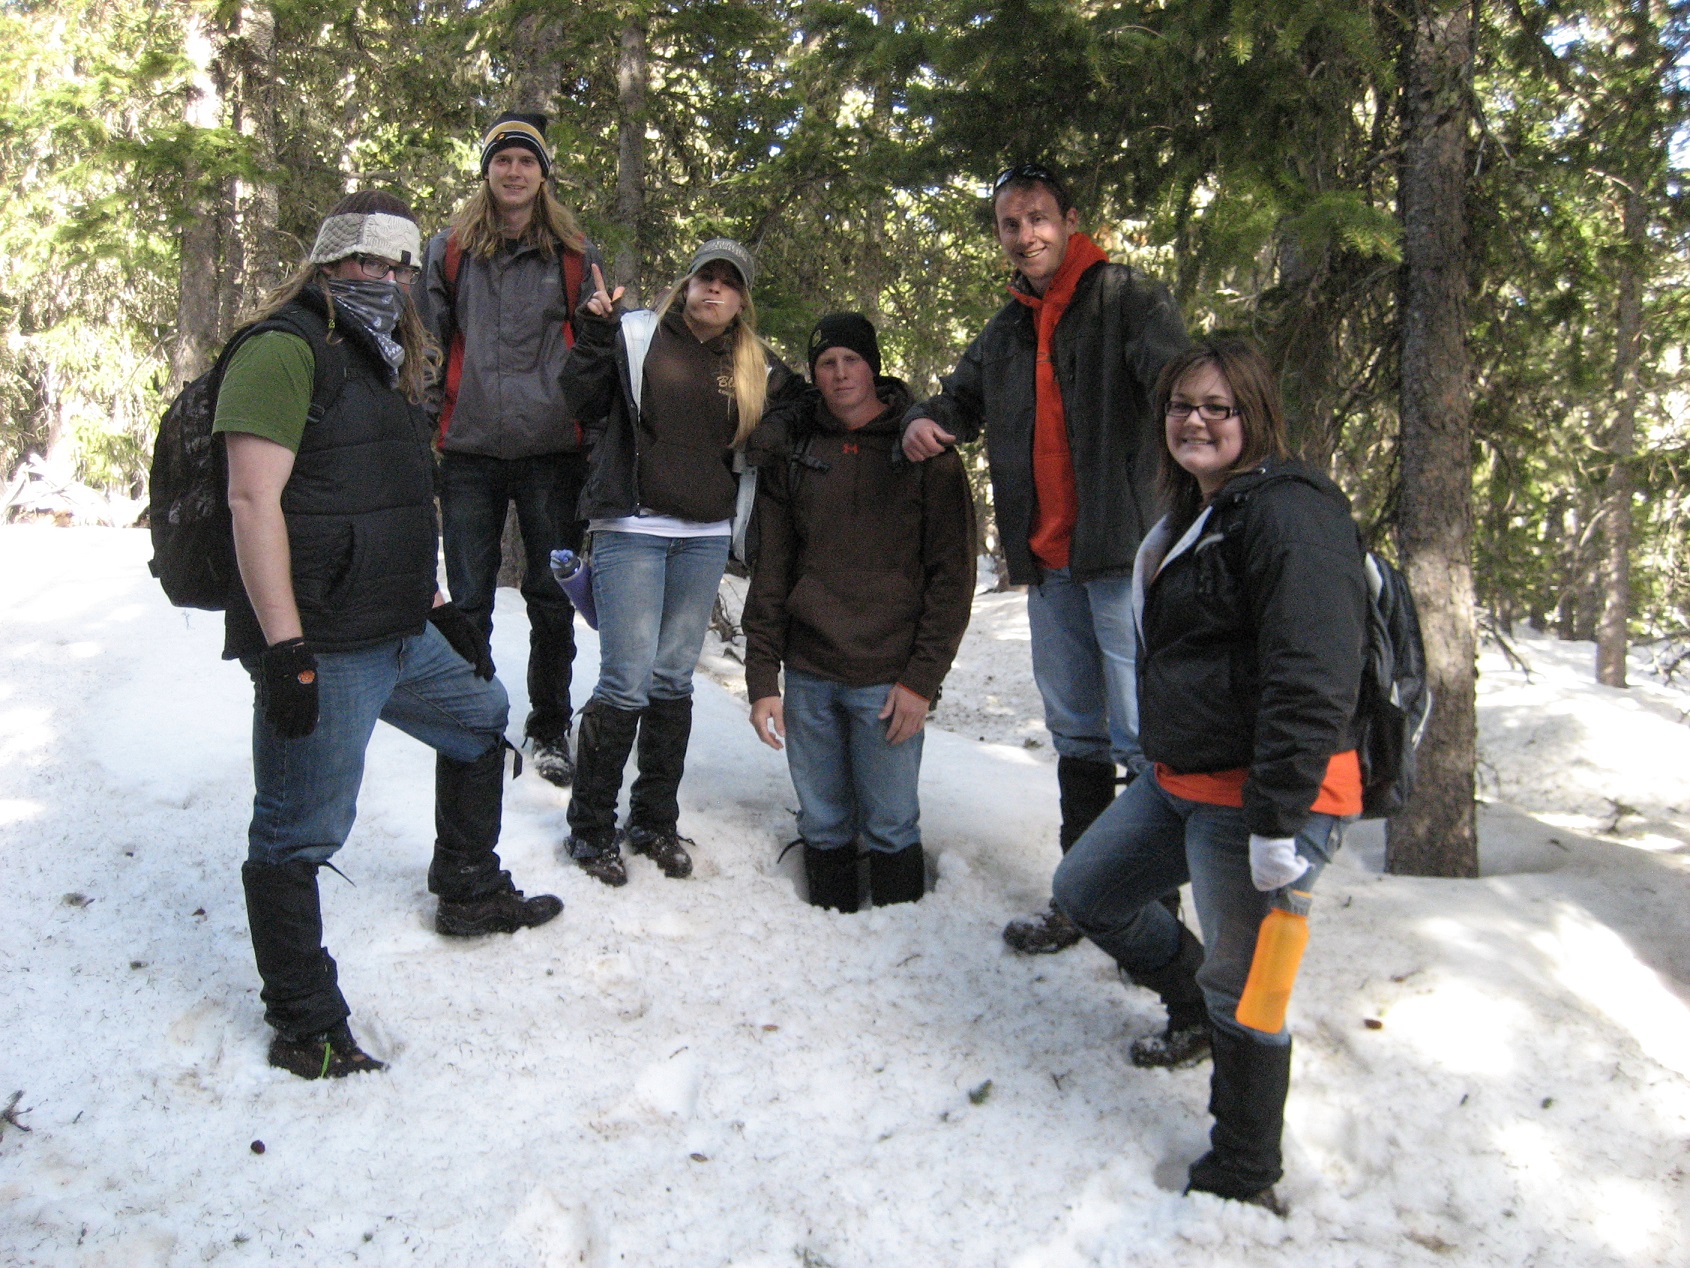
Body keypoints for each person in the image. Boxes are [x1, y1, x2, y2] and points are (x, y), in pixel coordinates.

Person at [218, 191, 563, 1080]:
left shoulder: (388, 357)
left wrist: (437, 602)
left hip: (399, 628)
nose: (381, 278)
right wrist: (286, 648)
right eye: (363, 262)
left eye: (396, 265)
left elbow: (403, 498)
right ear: (328, 262)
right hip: (324, 644)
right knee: (298, 833)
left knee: (482, 717)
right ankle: (304, 1024)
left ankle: (468, 887)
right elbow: (252, 501)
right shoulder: (282, 350)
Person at [1051, 338, 1367, 1211]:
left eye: (1217, 407)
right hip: (1183, 780)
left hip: (1268, 799)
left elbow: (1312, 677)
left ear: (1254, 416)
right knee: (1087, 891)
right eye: (1182, 404)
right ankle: (1187, 1008)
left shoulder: (1290, 514)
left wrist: (1276, 821)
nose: (1195, 420)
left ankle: (1244, 1167)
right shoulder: (1204, 508)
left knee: (1252, 989)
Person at [901, 162, 1187, 955]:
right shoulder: (1008, 328)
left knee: (1142, 740)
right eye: (1009, 224)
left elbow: (1181, 386)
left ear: (1069, 219)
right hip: (1048, 564)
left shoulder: (1128, 299)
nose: (1025, 235)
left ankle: (1158, 919)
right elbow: (959, 397)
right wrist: (926, 421)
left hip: (1125, 556)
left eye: (1037, 218)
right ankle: (1085, 901)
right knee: (1077, 736)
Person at [560, 239, 799, 886]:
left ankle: (653, 822)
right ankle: (589, 829)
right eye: (705, 278)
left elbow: (797, 402)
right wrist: (591, 333)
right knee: (625, 680)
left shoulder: (749, 360)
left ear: (742, 299)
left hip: (703, 536)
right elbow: (578, 400)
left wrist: (765, 437)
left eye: (729, 283)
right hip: (632, 527)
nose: (714, 290)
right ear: (686, 283)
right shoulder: (636, 334)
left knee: (671, 679)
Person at [742, 314, 975, 911]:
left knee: (892, 823)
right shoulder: (796, 452)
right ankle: (829, 933)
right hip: (811, 671)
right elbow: (772, 571)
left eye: (852, 359)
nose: (840, 373)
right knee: (822, 823)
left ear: (873, 365)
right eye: (826, 362)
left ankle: (901, 942)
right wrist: (763, 678)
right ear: (813, 374)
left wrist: (921, 681)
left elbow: (952, 580)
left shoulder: (924, 450)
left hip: (888, 678)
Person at [417, 112, 607, 787]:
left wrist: (595, 437)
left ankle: (549, 727)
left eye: (527, 161)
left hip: (554, 454)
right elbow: (427, 349)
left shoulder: (574, 253)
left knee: (550, 595)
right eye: (503, 160)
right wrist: (426, 427)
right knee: (467, 598)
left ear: (543, 173)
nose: (515, 171)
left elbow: (596, 353)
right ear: (487, 170)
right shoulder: (450, 249)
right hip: (467, 451)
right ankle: (477, 722)